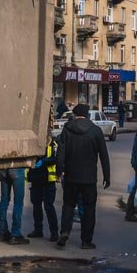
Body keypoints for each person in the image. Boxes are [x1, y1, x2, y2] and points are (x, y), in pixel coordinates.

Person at [56, 103, 110, 250]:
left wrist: (59, 171)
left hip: (71, 176)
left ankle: (65, 231)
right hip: (89, 178)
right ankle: (86, 240)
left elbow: (60, 153)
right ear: (87, 115)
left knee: (68, 205)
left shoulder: (67, 130)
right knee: (89, 209)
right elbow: (103, 155)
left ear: (75, 114)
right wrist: (107, 176)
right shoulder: (95, 131)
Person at [27, 136, 59, 240]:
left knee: (48, 206)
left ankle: (54, 232)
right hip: (36, 179)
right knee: (36, 206)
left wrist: (44, 162)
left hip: (48, 180)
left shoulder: (52, 143)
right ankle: (38, 230)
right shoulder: (33, 141)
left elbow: (56, 158)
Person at [0, 167, 29, 245]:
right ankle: (15, 234)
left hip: (3, 169)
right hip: (17, 168)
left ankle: (2, 232)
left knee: (4, 201)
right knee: (18, 203)